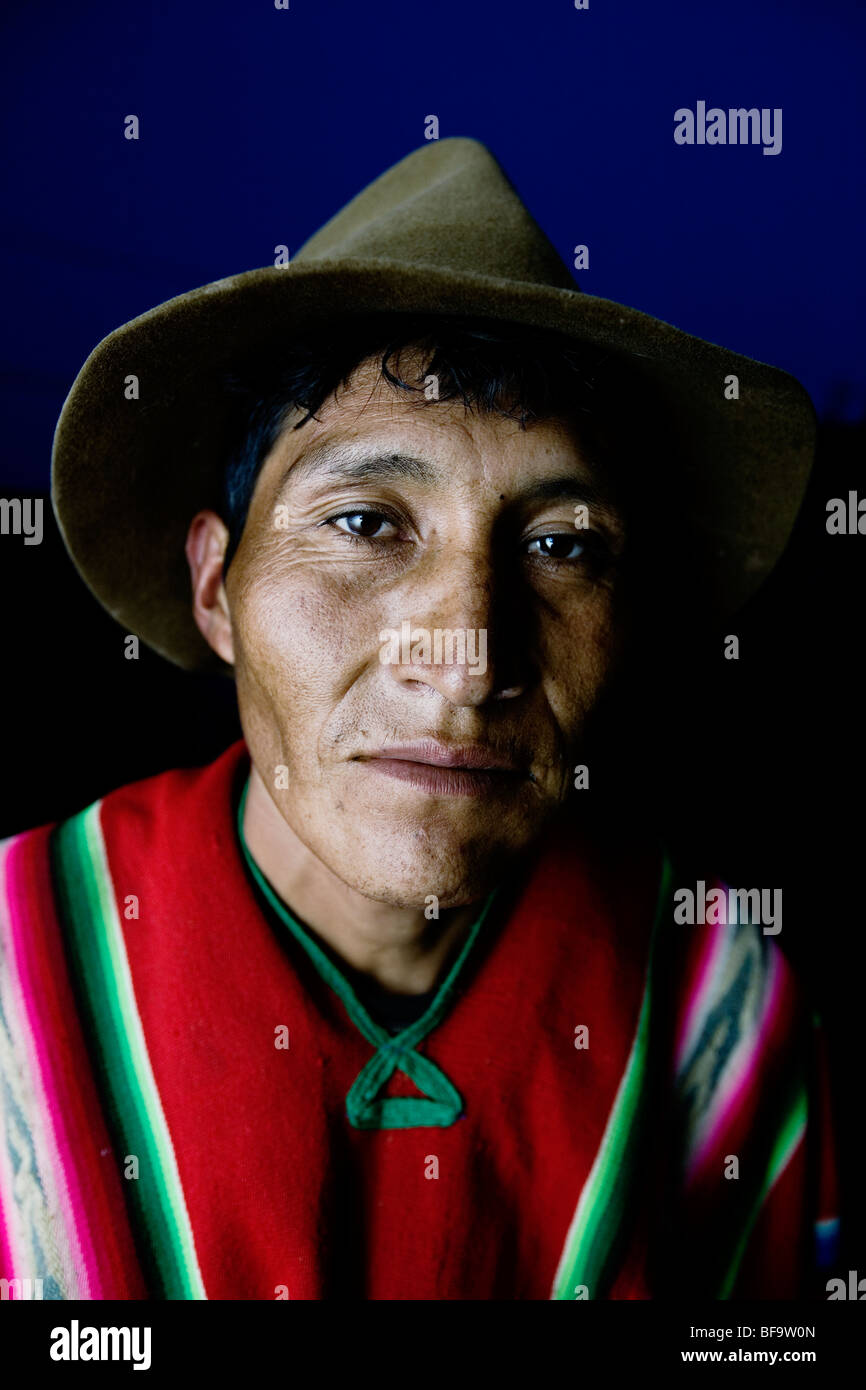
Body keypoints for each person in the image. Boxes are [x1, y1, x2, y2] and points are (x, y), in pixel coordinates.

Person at [0, 138, 838, 1300]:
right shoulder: (11, 962)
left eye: (561, 546)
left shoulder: (718, 997)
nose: (464, 660)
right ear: (215, 587)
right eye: (362, 523)